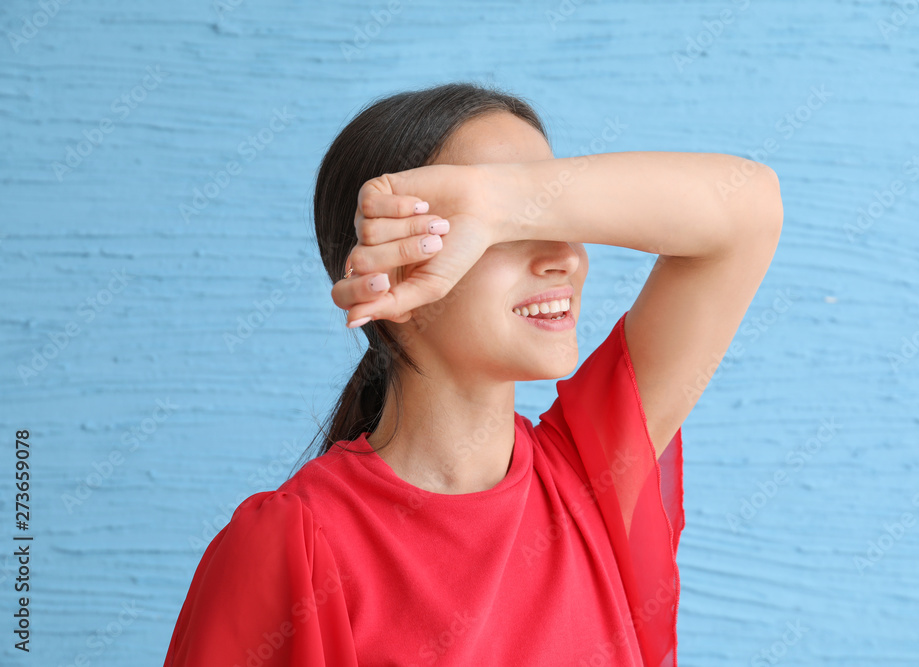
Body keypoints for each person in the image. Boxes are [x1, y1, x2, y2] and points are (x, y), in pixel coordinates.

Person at [162, 81, 783, 667]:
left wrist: (498, 201)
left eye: (549, 215)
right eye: (501, 231)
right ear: (396, 268)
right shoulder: (293, 544)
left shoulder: (598, 475)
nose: (565, 255)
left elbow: (748, 206)